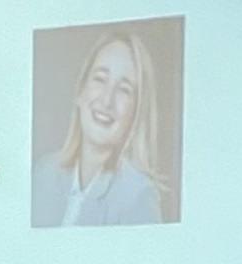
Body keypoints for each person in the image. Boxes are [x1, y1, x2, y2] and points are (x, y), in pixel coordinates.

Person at [31, 29, 165, 227]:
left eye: (124, 89)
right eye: (100, 79)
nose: (107, 100)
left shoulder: (138, 197)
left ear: (136, 112)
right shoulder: (44, 172)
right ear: (80, 90)